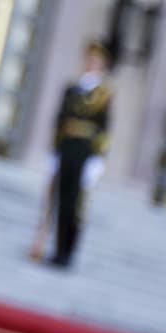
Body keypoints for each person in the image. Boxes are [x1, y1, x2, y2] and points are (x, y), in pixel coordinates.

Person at [31, 41, 112, 267]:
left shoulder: (104, 94)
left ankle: (67, 252)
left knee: (74, 205)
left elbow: (104, 129)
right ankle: (55, 249)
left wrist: (97, 160)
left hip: (84, 152)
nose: (91, 63)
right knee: (58, 199)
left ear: (101, 64)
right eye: (89, 59)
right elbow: (60, 121)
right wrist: (54, 152)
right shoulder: (72, 88)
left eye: (96, 61)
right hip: (66, 148)